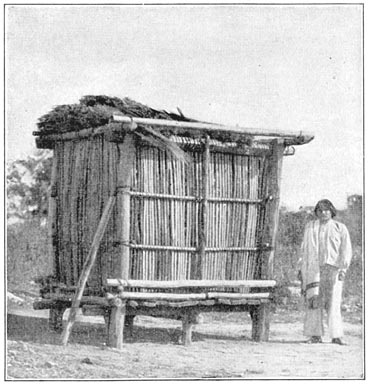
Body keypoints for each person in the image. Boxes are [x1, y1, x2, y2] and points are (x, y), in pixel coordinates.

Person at [299, 199, 352, 345]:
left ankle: (336, 336)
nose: (323, 213)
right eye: (320, 210)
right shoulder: (310, 227)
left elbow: (346, 250)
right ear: (316, 212)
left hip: (333, 269)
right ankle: (315, 335)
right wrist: (301, 268)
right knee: (314, 300)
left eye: (326, 210)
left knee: (333, 302)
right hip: (314, 269)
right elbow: (304, 249)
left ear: (331, 211)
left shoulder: (339, 228)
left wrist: (343, 268)